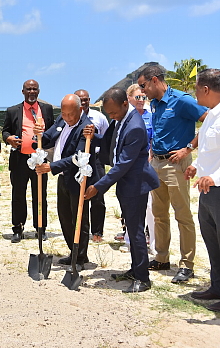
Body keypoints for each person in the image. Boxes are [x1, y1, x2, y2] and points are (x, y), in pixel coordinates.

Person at [85, 88, 160, 293]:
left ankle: (143, 279)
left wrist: (98, 187)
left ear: (124, 105)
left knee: (135, 232)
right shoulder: (122, 120)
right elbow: (114, 145)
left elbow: (123, 164)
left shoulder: (135, 126)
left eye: (113, 112)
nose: (111, 116)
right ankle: (136, 269)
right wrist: (96, 137)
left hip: (135, 184)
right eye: (108, 113)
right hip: (127, 184)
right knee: (131, 229)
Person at [138, 65, 207, 283]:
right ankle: (161, 257)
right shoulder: (155, 104)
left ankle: (187, 265)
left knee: (183, 215)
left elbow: (209, 121)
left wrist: (189, 147)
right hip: (157, 163)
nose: (142, 91)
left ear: (155, 80)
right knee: (159, 214)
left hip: (176, 165)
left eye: (143, 85)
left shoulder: (182, 100)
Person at [34, 94, 99, 271]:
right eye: (64, 113)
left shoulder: (86, 128)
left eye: (71, 114)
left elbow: (78, 157)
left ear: (80, 110)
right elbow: (46, 138)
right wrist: (37, 134)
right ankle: (73, 250)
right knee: (64, 216)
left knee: (79, 218)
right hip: (63, 178)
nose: (67, 117)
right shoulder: (61, 121)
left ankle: (80, 256)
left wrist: (51, 167)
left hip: (78, 179)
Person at [184, 68, 220, 312]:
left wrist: (215, 176)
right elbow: (211, 149)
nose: (195, 93)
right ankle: (218, 286)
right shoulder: (211, 116)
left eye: (197, 89)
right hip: (207, 189)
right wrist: (197, 166)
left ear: (206, 89)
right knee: (212, 241)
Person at [2, 79, 54, 243]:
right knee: (18, 195)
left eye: (34, 89)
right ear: (23, 91)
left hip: (39, 160)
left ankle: (40, 228)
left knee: (40, 195)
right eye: (28, 89)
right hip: (19, 159)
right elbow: (5, 131)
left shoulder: (46, 109)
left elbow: (52, 132)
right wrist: (8, 138)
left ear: (38, 91)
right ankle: (18, 228)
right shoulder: (12, 111)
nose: (32, 92)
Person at [125, 84, 156, 255]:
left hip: (148, 164)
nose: (141, 101)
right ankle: (129, 239)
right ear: (129, 98)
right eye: (138, 97)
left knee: (151, 206)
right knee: (131, 204)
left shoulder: (150, 117)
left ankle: (153, 243)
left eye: (144, 97)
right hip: (130, 166)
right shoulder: (126, 118)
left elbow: (154, 138)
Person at [74, 89, 108, 243]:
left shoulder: (99, 117)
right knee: (78, 195)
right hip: (78, 161)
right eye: (80, 99)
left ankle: (97, 231)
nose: (83, 102)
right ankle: (81, 229)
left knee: (97, 196)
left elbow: (106, 138)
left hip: (96, 160)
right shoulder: (71, 118)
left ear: (89, 100)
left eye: (85, 99)